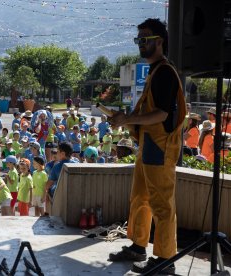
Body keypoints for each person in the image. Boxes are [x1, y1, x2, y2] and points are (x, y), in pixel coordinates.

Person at [108, 18, 186, 274]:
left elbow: (162, 114)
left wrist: (127, 119)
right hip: (149, 145)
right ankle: (139, 246)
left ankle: (165, 259)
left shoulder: (165, 72)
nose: (141, 43)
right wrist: (126, 120)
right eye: (139, 39)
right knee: (140, 197)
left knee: (162, 205)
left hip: (160, 148)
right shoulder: (156, 71)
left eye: (146, 39)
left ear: (160, 41)